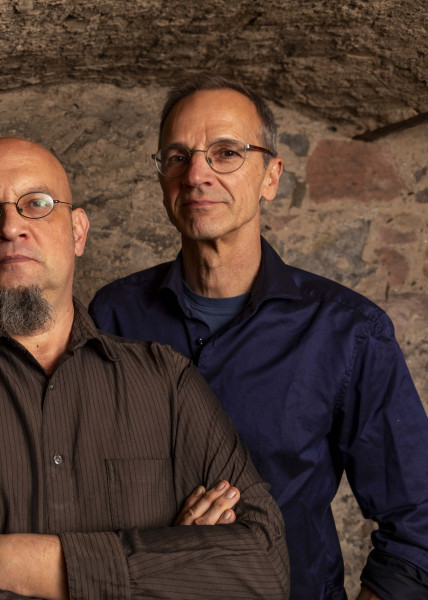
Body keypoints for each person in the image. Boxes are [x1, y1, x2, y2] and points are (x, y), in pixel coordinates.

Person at [0, 137, 290, 599]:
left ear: (77, 232)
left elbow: (266, 566)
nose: (10, 227)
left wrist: (21, 564)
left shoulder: (167, 382)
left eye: (37, 204)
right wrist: (171, 566)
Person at [89, 76, 428, 600]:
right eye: (177, 157)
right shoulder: (112, 315)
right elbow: (79, 483)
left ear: (271, 176)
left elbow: (418, 522)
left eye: (226, 153)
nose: (196, 174)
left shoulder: (349, 331)